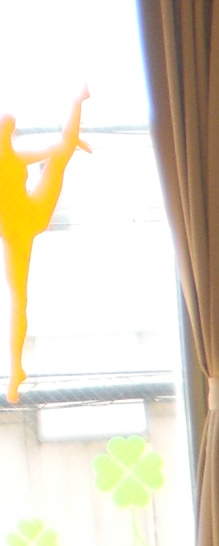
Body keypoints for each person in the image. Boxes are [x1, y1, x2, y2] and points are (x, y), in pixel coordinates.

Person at [0, 91, 90, 405]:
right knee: (18, 301)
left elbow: (59, 148)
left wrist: (70, 142)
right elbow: (59, 148)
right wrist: (69, 144)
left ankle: (78, 101)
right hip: (20, 228)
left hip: (27, 219)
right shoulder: (12, 157)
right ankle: (15, 370)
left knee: (60, 157)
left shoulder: (15, 156)